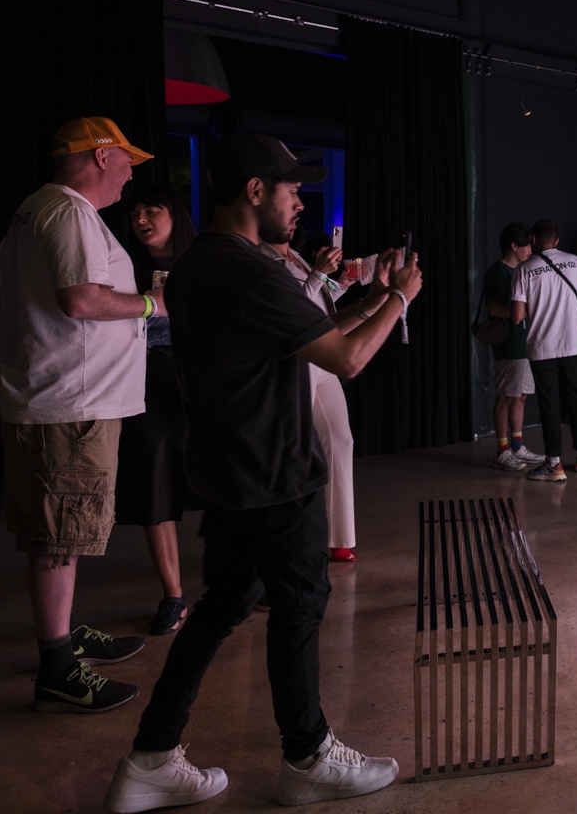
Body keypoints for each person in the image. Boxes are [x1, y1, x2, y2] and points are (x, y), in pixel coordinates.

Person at [103, 133, 421, 811]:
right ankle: (306, 756)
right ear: (254, 192)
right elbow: (346, 359)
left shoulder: (199, 266)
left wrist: (375, 296)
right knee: (299, 608)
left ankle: (151, 757)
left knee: (222, 607)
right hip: (275, 475)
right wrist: (401, 300)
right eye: (289, 189)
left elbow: (311, 329)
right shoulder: (247, 271)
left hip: (229, 476)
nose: (300, 202)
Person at [0, 117, 155, 716]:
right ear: (100, 156)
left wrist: (33, 337)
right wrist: (154, 303)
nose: (132, 172)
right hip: (71, 405)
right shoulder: (70, 211)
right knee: (60, 537)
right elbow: (81, 299)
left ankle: (64, 634)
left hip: (54, 397)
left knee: (60, 532)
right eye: (126, 160)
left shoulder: (35, 209)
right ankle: (57, 668)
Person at [259, 223, 363, 563]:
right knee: (294, 450)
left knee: (341, 438)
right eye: (289, 207)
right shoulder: (261, 260)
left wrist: (341, 283)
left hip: (320, 355)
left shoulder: (299, 257)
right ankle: (287, 543)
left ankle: (339, 537)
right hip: (296, 360)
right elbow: (289, 314)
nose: (294, 216)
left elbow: (317, 300)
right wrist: (318, 274)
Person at [120, 186, 198, 636]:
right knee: (154, 481)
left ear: (175, 215)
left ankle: (247, 577)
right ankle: (172, 595)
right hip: (145, 379)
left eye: (152, 209)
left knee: (227, 479)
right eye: (135, 212)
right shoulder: (122, 264)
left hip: (199, 380)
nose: (142, 218)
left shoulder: (203, 259)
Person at [511, 219, 577, 482]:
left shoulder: (524, 269)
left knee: (549, 404)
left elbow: (517, 316)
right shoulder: (575, 262)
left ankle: (554, 464)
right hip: (573, 344)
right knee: (576, 400)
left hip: (541, 347)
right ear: (557, 241)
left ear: (534, 241)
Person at [483, 222, 545, 472]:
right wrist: (523, 311)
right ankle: (502, 451)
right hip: (510, 344)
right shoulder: (498, 272)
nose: (531, 249)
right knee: (506, 396)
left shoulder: (524, 270)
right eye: (527, 245)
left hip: (528, 342)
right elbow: (493, 308)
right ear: (513, 246)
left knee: (521, 396)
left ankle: (518, 446)